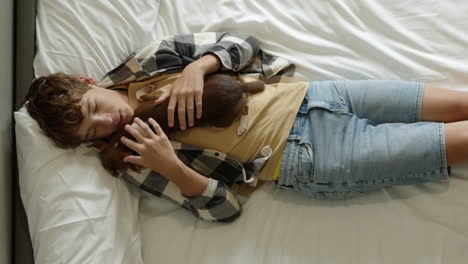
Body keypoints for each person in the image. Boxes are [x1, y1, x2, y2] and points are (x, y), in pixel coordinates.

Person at [25, 32, 466, 222]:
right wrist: (172, 167)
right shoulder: (134, 158)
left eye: (93, 107)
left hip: (318, 95)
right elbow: (225, 210)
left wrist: (198, 68)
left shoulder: (148, 65)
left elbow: (244, 44)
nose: (106, 121)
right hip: (307, 157)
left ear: (89, 83)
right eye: (91, 130)